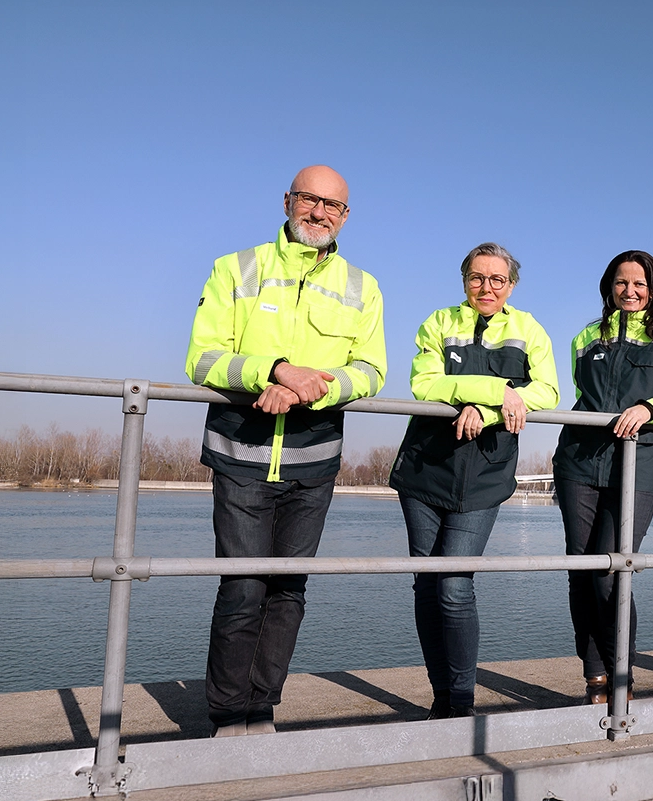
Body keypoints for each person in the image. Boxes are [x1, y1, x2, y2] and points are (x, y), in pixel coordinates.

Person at [185, 165, 386, 737]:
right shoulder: (236, 268)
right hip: (241, 453)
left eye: (333, 205)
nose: (319, 212)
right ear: (287, 200)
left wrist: (312, 386)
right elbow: (201, 358)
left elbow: (371, 371)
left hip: (313, 459)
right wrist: (273, 371)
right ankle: (227, 713)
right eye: (310, 200)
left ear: (346, 216)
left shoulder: (362, 285)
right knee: (244, 585)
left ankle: (262, 707)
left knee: (289, 589)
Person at [389, 243, 558, 719]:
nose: (487, 288)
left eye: (497, 280)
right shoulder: (439, 323)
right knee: (426, 584)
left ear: (512, 285)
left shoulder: (529, 330)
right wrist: (498, 391)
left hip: (484, 473)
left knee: (454, 585)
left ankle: (461, 700)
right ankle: (440, 695)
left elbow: (546, 391)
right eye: (477, 278)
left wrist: (481, 411)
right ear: (464, 281)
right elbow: (424, 384)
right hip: (426, 467)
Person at [553, 250, 653, 703]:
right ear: (609, 287)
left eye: (639, 284)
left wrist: (649, 409)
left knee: (612, 572)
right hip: (578, 463)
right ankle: (595, 676)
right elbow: (582, 394)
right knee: (580, 572)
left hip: (636, 466)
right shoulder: (586, 336)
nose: (630, 291)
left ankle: (622, 674)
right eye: (621, 283)